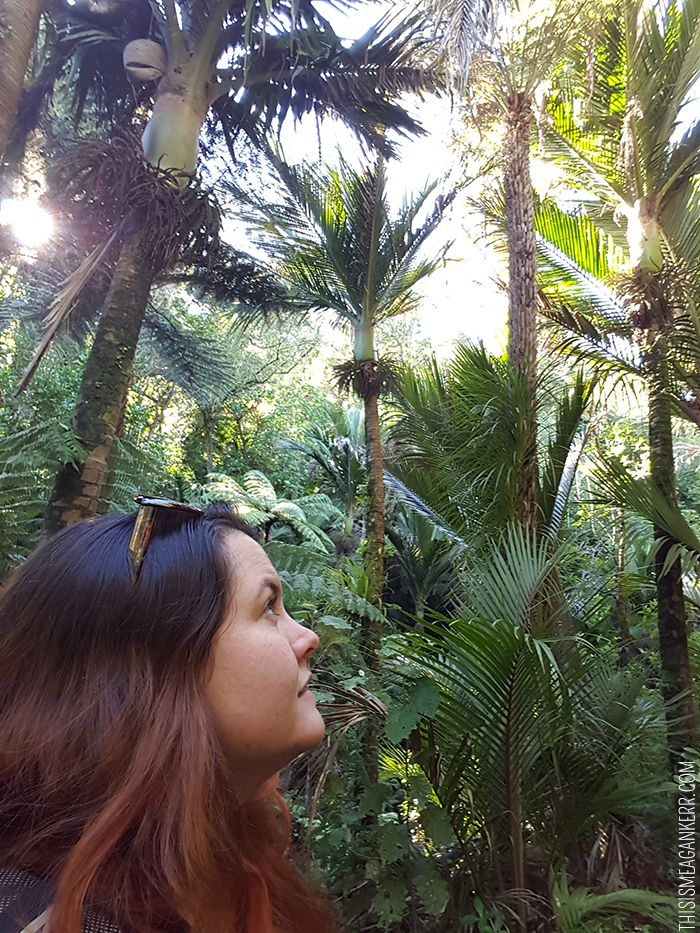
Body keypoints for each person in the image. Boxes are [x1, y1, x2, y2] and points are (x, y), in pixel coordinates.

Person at [0, 499, 331, 933]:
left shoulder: (234, 863)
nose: (308, 638)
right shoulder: (34, 914)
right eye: (268, 607)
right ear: (150, 675)